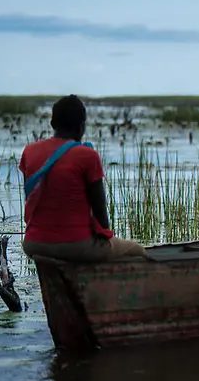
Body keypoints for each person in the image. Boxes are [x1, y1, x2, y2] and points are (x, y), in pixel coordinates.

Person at [20, 95, 147, 262]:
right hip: (76, 244)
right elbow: (99, 206)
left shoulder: (29, 151)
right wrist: (106, 238)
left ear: (52, 124)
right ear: (81, 126)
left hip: (33, 243)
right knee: (138, 251)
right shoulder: (87, 155)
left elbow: (31, 200)